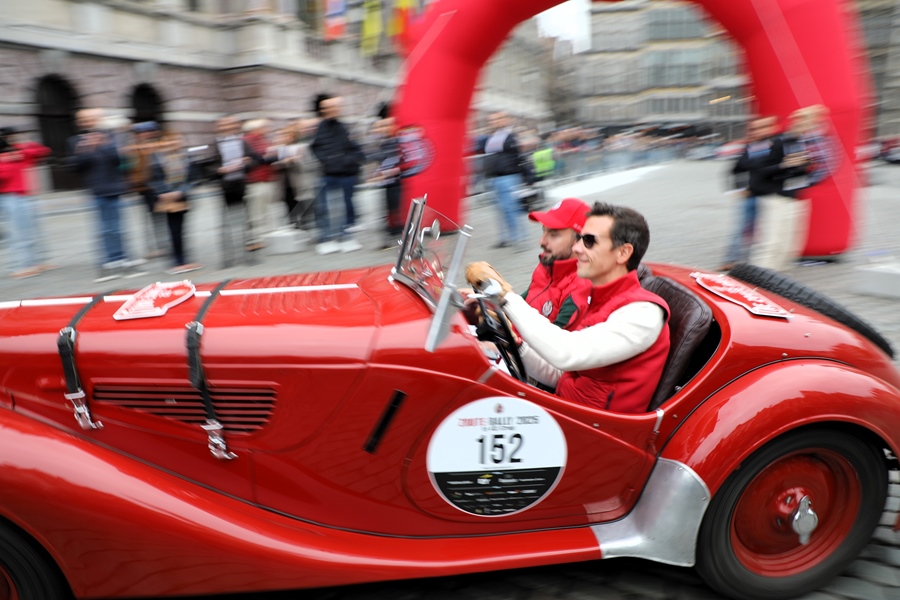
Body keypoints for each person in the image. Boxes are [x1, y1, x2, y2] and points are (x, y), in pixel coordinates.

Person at [466, 202, 670, 414]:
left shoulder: (643, 314)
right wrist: (513, 343)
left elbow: (567, 353)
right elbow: (561, 373)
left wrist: (505, 296)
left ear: (623, 253)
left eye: (589, 241)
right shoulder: (597, 298)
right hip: (565, 411)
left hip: (593, 426)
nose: (577, 248)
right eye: (580, 239)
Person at [68, 108, 142, 282]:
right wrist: (88, 149)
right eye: (85, 120)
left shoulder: (109, 137)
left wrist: (106, 144)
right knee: (104, 229)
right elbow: (75, 167)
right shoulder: (75, 141)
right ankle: (109, 262)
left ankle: (124, 259)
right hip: (96, 190)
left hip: (114, 188)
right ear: (80, 122)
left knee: (118, 227)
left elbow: (118, 161)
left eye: (92, 119)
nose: (89, 122)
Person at [520, 197, 592, 329]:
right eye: (544, 231)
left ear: (579, 241)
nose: (542, 241)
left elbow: (553, 340)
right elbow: (517, 304)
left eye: (553, 234)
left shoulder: (580, 289)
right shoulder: (548, 267)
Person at [719, 116, 778, 271]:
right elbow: (736, 169)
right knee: (742, 229)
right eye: (754, 129)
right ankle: (732, 259)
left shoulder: (777, 144)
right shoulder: (751, 147)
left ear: (771, 127)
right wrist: (739, 188)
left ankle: (755, 262)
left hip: (772, 196)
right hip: (752, 195)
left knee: (766, 230)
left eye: (761, 128)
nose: (756, 131)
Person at [310, 95, 366, 255]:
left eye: (336, 107)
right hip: (328, 173)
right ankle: (325, 238)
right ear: (323, 110)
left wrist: (350, 160)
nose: (334, 110)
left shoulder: (343, 127)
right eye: (329, 107)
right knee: (324, 208)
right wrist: (327, 160)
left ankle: (346, 236)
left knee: (347, 205)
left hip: (346, 173)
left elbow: (353, 147)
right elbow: (315, 147)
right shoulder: (320, 127)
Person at [210, 114, 263, 268]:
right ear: (218, 127)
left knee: (246, 222)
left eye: (230, 124)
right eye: (223, 125)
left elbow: (256, 159)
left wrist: (246, 163)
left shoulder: (242, 141)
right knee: (225, 225)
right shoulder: (215, 144)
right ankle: (227, 259)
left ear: (235, 126)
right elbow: (207, 166)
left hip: (241, 185)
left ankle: (249, 256)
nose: (227, 127)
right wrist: (219, 170)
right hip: (224, 187)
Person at [0, 127, 52, 279]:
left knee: (33, 231)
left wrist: (23, 147)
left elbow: (43, 151)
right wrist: (7, 160)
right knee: (18, 233)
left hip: (26, 195)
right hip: (9, 197)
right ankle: (21, 265)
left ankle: (37, 262)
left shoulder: (20, 151)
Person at [148, 131, 202, 275]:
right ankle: (177, 261)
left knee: (180, 230)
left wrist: (181, 191)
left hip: (181, 198)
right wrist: (164, 192)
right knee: (174, 230)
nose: (172, 143)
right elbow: (153, 179)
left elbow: (194, 178)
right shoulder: (156, 158)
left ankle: (182, 260)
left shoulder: (187, 157)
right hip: (167, 199)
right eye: (169, 141)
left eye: (176, 140)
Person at [480, 112, 526, 249]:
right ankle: (504, 238)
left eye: (498, 119)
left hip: (508, 177)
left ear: (506, 120)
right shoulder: (492, 137)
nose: (494, 122)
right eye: (491, 120)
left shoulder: (509, 136)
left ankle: (519, 238)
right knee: (500, 210)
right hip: (494, 178)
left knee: (510, 209)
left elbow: (518, 156)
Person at [127, 120, 169, 260]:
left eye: (144, 132)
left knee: (167, 217)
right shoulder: (136, 149)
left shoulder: (162, 146)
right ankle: (158, 247)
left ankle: (166, 245)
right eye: (139, 133)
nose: (142, 135)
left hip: (164, 187)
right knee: (154, 218)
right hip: (147, 189)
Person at [242, 119, 277, 251]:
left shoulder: (262, 139)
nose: (267, 129)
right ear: (256, 129)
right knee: (255, 212)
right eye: (265, 127)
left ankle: (259, 238)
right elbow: (258, 158)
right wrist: (267, 157)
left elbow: (270, 156)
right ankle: (254, 240)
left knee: (261, 211)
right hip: (256, 181)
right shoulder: (249, 140)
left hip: (264, 179)